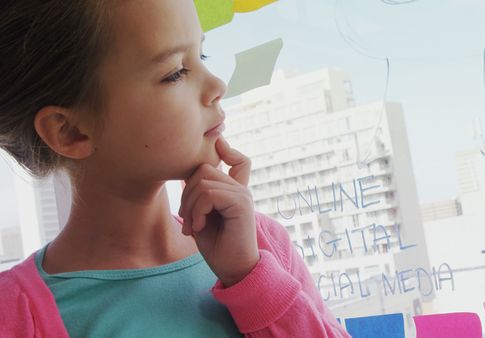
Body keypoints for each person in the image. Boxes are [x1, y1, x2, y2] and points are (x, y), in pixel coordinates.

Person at [0, 1, 351, 337]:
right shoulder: (14, 315)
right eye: (175, 73)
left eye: (202, 55)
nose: (217, 86)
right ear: (70, 131)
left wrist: (251, 278)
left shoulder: (259, 247)